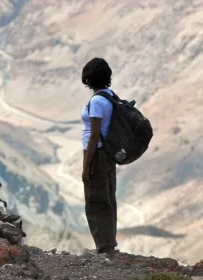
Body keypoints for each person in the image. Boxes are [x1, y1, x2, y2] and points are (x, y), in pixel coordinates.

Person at [80, 57, 117, 258]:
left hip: (96, 154)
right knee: (109, 198)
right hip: (108, 155)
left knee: (96, 201)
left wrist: (86, 167)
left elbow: (94, 135)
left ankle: (105, 249)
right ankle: (109, 245)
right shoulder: (110, 96)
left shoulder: (96, 101)